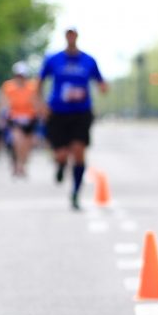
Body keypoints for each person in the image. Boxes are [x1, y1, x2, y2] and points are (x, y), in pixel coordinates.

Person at [37, 27, 107, 210]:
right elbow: (40, 82)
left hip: (81, 112)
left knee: (78, 152)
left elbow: (100, 82)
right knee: (61, 153)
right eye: (68, 34)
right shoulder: (53, 59)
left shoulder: (88, 60)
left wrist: (103, 87)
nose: (71, 37)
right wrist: (41, 104)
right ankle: (60, 165)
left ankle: (75, 192)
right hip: (58, 112)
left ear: (77, 37)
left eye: (73, 34)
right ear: (65, 37)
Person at [0, 62, 40, 178]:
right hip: (15, 118)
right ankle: (18, 166)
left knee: (27, 146)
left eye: (22, 76)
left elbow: (36, 101)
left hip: (30, 118)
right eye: (18, 75)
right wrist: (4, 113)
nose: (20, 78)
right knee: (18, 142)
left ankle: (23, 165)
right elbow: (4, 101)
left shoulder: (32, 87)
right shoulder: (8, 87)